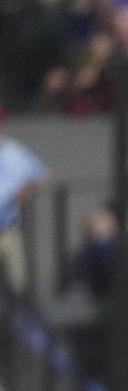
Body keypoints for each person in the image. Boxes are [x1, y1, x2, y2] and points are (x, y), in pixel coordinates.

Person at [0, 107, 47, 297]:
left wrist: (25, 190)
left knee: (17, 285)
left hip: (8, 227)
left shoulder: (13, 151)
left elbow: (40, 175)